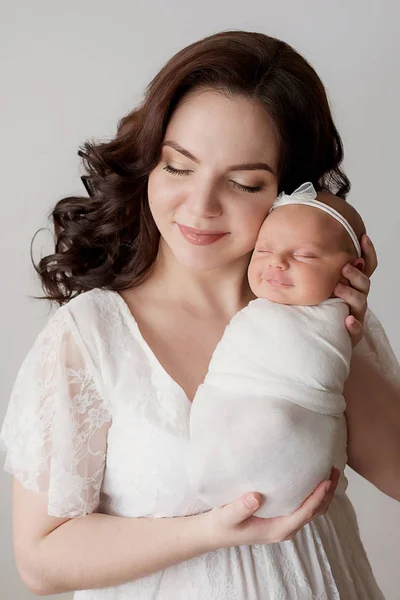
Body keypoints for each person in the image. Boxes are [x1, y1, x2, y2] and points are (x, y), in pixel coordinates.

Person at [1, 29, 399, 599]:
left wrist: (333, 337)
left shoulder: (323, 319)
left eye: (243, 182)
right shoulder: (91, 336)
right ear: (149, 164)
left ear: (291, 193)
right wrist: (210, 532)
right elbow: (41, 560)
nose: (201, 205)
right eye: (179, 167)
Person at [188, 182, 367, 518]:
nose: (277, 263)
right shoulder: (256, 311)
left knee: (277, 423)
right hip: (222, 424)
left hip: (296, 437)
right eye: (264, 250)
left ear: (352, 270)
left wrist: (345, 340)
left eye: (304, 255)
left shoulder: (339, 319)